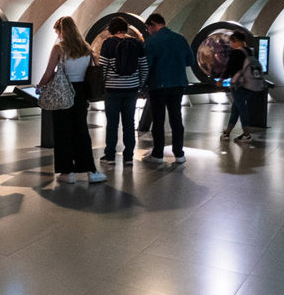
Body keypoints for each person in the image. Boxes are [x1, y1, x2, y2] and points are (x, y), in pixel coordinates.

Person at [37, 16, 107, 184]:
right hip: (81, 92)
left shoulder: (59, 48)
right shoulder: (86, 48)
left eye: (57, 32)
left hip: (63, 91)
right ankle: (91, 170)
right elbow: (91, 70)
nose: (57, 35)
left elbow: (49, 73)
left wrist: (39, 87)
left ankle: (67, 172)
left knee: (62, 132)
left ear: (62, 31)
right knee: (81, 131)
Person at [142, 13, 194, 165]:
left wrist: (143, 85)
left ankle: (158, 155)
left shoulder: (152, 42)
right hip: (178, 84)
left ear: (153, 24)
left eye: (148, 28)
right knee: (176, 118)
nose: (148, 31)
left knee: (158, 120)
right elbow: (190, 61)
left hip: (158, 85)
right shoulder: (180, 39)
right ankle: (179, 154)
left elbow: (147, 65)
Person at [98, 18, 149, 167]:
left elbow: (103, 67)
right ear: (125, 29)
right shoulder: (137, 43)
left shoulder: (108, 43)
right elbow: (144, 67)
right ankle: (128, 157)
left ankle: (110, 156)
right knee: (129, 123)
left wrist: (102, 85)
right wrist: (139, 85)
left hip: (112, 89)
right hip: (131, 89)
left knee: (112, 124)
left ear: (112, 29)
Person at [221, 31, 256, 142]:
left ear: (236, 40)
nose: (231, 44)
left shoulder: (236, 53)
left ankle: (247, 135)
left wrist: (221, 79)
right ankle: (227, 132)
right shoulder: (249, 51)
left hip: (239, 85)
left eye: (231, 42)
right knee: (236, 107)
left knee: (241, 108)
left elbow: (229, 68)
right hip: (250, 84)